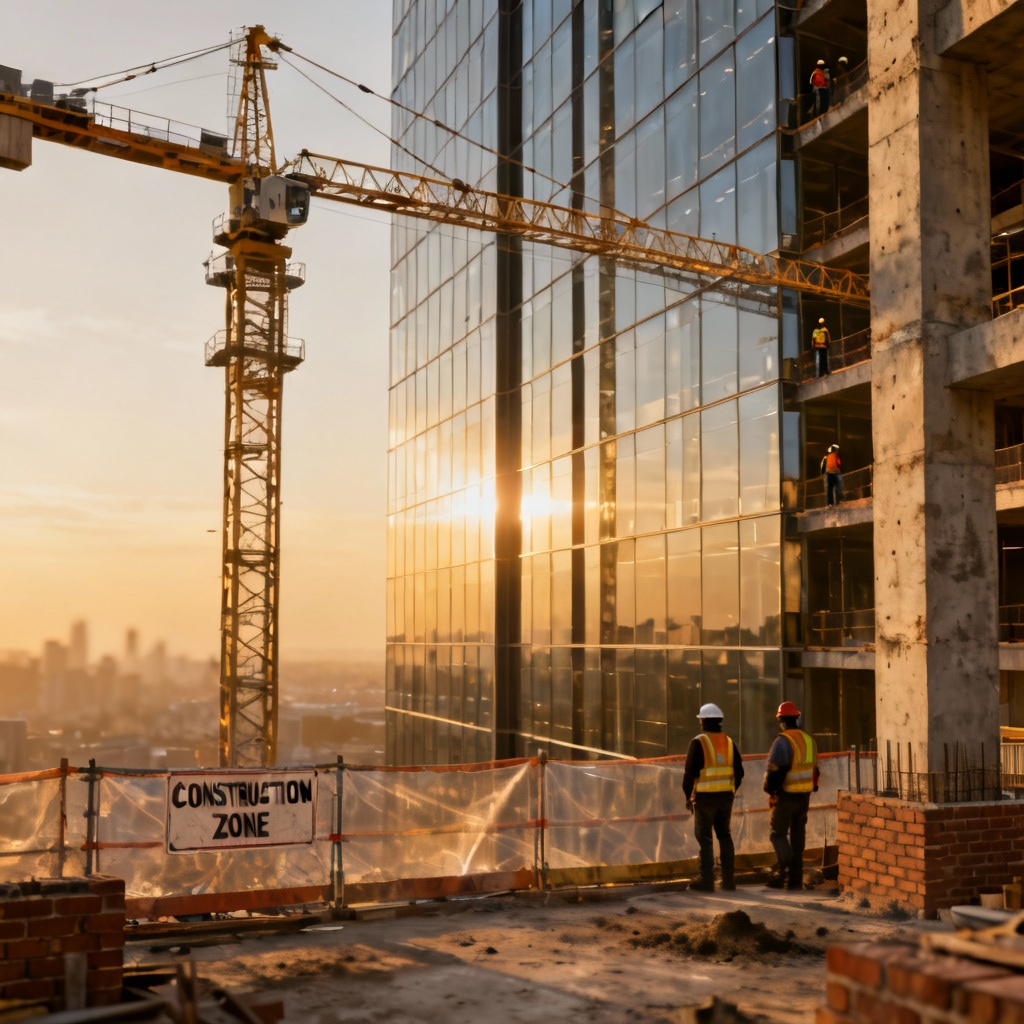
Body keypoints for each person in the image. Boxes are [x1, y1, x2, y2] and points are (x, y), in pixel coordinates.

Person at [682, 702, 745, 892]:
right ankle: (728, 880)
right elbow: (739, 773)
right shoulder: (729, 742)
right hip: (726, 798)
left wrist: (688, 796)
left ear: (703, 721)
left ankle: (706, 880)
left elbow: (689, 773)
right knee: (725, 836)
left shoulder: (698, 742)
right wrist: (731, 790)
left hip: (705, 799)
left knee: (705, 839)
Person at [763, 701, 820, 890]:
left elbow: (776, 769)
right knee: (797, 838)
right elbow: (815, 770)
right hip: (804, 797)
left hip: (787, 796)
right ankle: (795, 880)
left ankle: (785, 867)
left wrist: (770, 789)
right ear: (797, 718)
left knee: (777, 834)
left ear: (781, 720)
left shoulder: (783, 741)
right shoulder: (809, 740)